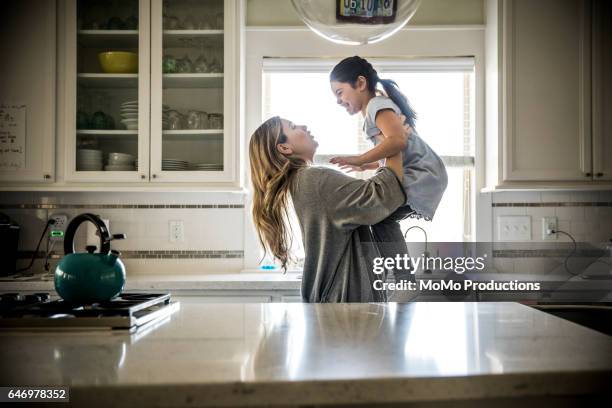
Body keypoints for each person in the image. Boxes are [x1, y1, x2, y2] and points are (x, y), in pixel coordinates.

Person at [249, 116, 410, 302]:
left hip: (335, 306)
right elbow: (383, 196)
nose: (304, 125)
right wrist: (393, 142)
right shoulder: (315, 179)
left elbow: (367, 201)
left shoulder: (301, 182)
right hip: (344, 310)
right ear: (284, 148)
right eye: (293, 126)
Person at [329, 56, 448, 285]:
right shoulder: (375, 109)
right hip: (421, 170)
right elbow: (392, 150)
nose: (338, 101)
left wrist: (360, 158)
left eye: (340, 92)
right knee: (379, 217)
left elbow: (397, 142)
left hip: (422, 172)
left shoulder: (376, 105)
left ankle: (404, 280)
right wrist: (367, 165)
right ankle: (396, 275)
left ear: (361, 84)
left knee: (381, 217)